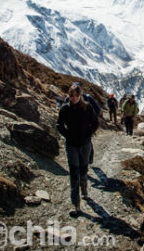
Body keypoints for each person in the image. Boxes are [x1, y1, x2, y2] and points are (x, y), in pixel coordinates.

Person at [56, 83, 98, 217]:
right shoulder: (65, 109)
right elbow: (59, 125)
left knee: (83, 169)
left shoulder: (87, 107)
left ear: (80, 95)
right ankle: (77, 205)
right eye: (71, 95)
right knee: (74, 173)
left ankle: (84, 189)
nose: (74, 98)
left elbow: (95, 123)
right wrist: (67, 135)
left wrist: (88, 134)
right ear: (69, 96)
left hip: (85, 144)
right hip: (72, 145)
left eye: (76, 95)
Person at [63, 82, 100, 165]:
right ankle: (87, 159)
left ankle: (86, 159)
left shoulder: (69, 98)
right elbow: (97, 109)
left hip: (79, 125)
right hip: (83, 125)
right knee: (87, 140)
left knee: (86, 140)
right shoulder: (88, 97)